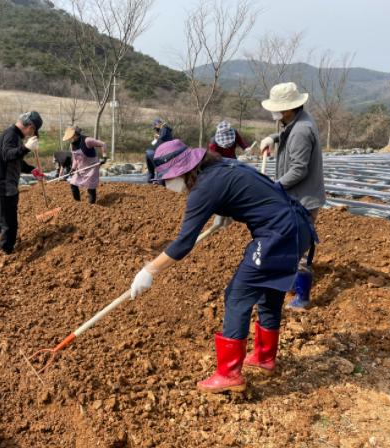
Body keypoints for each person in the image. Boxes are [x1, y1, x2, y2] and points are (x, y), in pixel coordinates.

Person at [129, 139, 317, 394]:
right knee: (269, 291)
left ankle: (229, 374)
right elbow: (237, 188)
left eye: (167, 179)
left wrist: (149, 270)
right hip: (298, 227)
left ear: (183, 170)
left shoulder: (203, 188)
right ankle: (264, 358)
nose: (166, 184)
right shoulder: (220, 166)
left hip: (278, 235)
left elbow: (184, 242)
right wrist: (223, 213)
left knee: (237, 296)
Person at [259, 82, 325, 311]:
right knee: (291, 243)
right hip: (296, 196)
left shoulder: (301, 131)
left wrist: (274, 187)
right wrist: (273, 138)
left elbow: (298, 170)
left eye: (277, 108)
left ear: (288, 108)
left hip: (303, 199)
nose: (274, 112)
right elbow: (286, 134)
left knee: (298, 247)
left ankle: (302, 298)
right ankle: (291, 282)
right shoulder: (297, 121)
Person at [0, 111, 45, 254]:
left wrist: (32, 170)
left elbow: (17, 162)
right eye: (33, 131)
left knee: (3, 216)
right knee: (10, 224)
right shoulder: (11, 135)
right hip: (3, 188)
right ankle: (6, 252)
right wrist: (26, 148)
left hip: (6, 187)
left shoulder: (15, 136)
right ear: (30, 126)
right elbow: (7, 155)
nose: (31, 134)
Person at [63, 126, 107, 204]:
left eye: (70, 137)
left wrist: (104, 157)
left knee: (90, 188)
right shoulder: (72, 145)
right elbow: (75, 159)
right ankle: (78, 203)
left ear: (75, 135)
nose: (69, 139)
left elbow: (103, 144)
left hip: (92, 167)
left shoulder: (87, 140)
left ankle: (91, 206)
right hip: (81, 168)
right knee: (73, 184)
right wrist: (73, 169)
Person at [145, 118, 173, 183]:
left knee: (152, 171)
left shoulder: (164, 128)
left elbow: (161, 139)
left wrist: (158, 137)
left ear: (159, 124)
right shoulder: (164, 130)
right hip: (153, 153)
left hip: (150, 152)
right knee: (159, 170)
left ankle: (150, 183)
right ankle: (157, 183)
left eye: (156, 127)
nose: (156, 129)